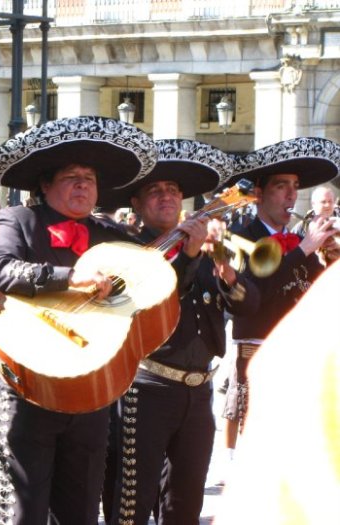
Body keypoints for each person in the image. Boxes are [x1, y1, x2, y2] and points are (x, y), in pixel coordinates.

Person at [0, 115, 158, 524]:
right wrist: (69, 277)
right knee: (24, 512)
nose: (83, 185)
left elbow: (151, 272)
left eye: (89, 179)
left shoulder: (109, 232)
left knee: (80, 511)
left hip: (90, 389)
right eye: (71, 177)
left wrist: (190, 247)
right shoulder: (19, 219)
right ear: (45, 185)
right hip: (31, 384)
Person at [100, 139, 261, 525]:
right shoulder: (128, 248)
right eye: (154, 190)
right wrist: (188, 256)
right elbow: (159, 296)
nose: (166, 196)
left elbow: (248, 305)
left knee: (185, 504)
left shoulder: (203, 248)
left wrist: (227, 274)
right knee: (131, 503)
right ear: (136, 204)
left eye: (172, 189)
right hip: (146, 388)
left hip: (198, 390)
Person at [223, 137, 340, 441]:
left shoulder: (299, 240)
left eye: (295, 186)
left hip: (299, 357)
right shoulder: (241, 235)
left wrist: (332, 260)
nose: (292, 195)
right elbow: (253, 296)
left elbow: (317, 297)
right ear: (259, 194)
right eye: (281, 186)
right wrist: (303, 250)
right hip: (258, 357)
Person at [215, 257, 340, 525]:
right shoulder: (259, 244)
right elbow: (252, 293)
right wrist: (302, 250)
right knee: (240, 408)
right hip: (257, 338)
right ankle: (231, 460)